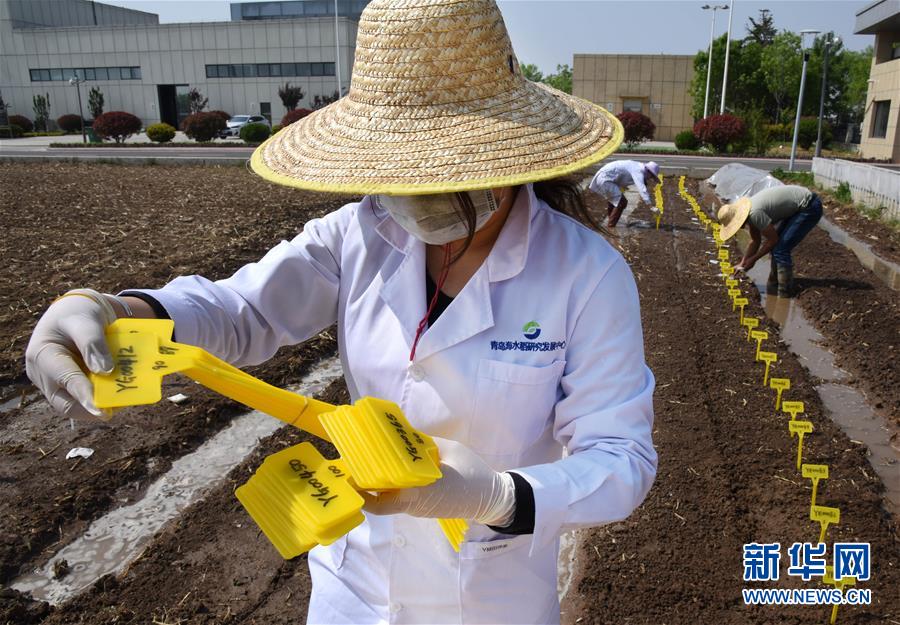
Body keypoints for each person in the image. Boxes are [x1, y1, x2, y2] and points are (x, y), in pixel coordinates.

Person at [24, 1, 657, 623]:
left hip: (493, 597)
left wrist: (495, 496)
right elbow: (244, 310)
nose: (415, 193)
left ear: (509, 159)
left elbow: (620, 459)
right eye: (398, 170)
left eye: (443, 172)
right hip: (353, 589)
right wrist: (121, 308)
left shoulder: (586, 276)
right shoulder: (359, 233)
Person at [717, 185, 823, 297]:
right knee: (777, 248)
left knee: (781, 249)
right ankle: (773, 287)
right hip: (799, 205)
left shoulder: (754, 214)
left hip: (809, 206)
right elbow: (755, 241)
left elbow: (773, 240)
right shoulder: (749, 213)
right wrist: (743, 263)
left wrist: (754, 259)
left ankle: (784, 293)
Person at [588, 159, 661, 227]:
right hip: (605, 178)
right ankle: (611, 226)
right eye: (651, 176)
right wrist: (650, 206)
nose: (650, 178)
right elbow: (642, 188)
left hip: (606, 178)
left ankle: (610, 221)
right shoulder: (638, 170)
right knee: (622, 202)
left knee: (614, 201)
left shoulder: (637, 166)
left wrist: (622, 187)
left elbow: (621, 176)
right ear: (648, 171)